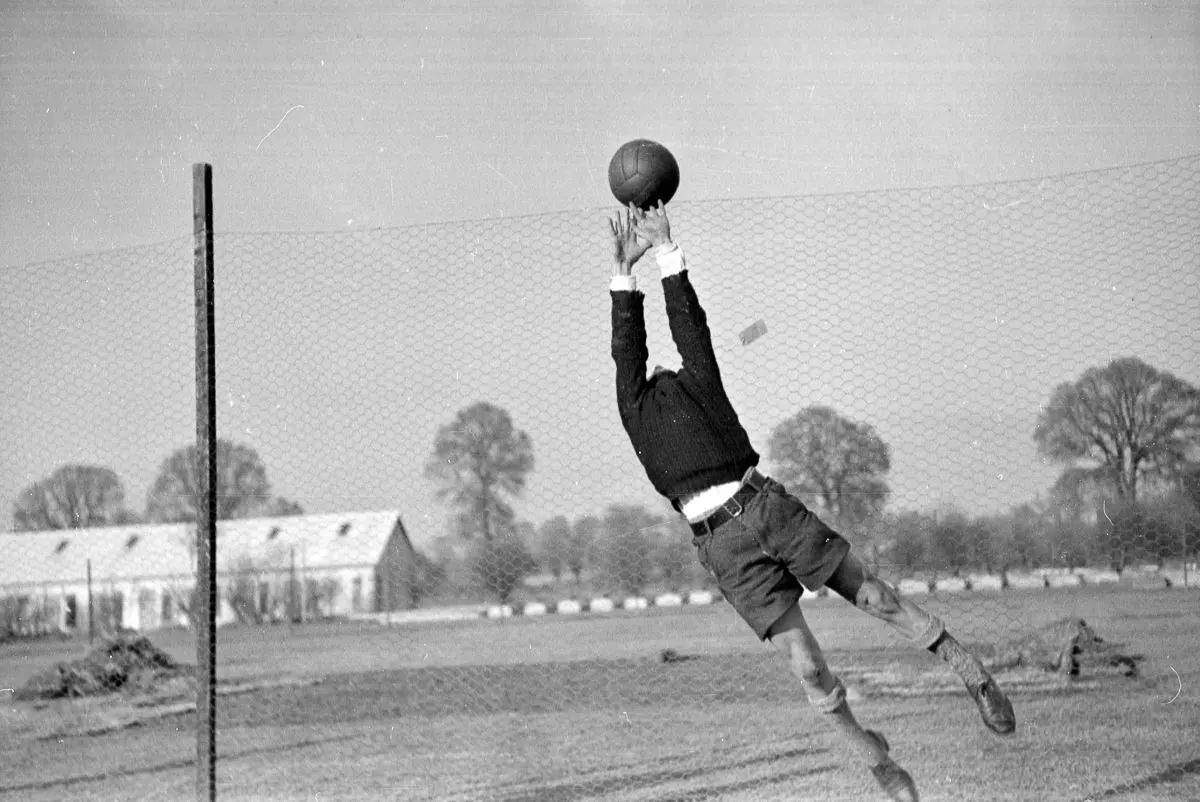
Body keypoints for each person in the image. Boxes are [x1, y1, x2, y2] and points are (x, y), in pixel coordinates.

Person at [607, 201, 1015, 802]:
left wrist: (667, 250)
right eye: (651, 370)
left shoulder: (701, 383)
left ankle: (969, 671)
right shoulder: (634, 408)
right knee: (807, 668)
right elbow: (626, 350)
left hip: (767, 506)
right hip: (721, 547)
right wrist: (622, 276)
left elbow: (689, 325)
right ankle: (876, 760)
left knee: (873, 596)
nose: (664, 370)